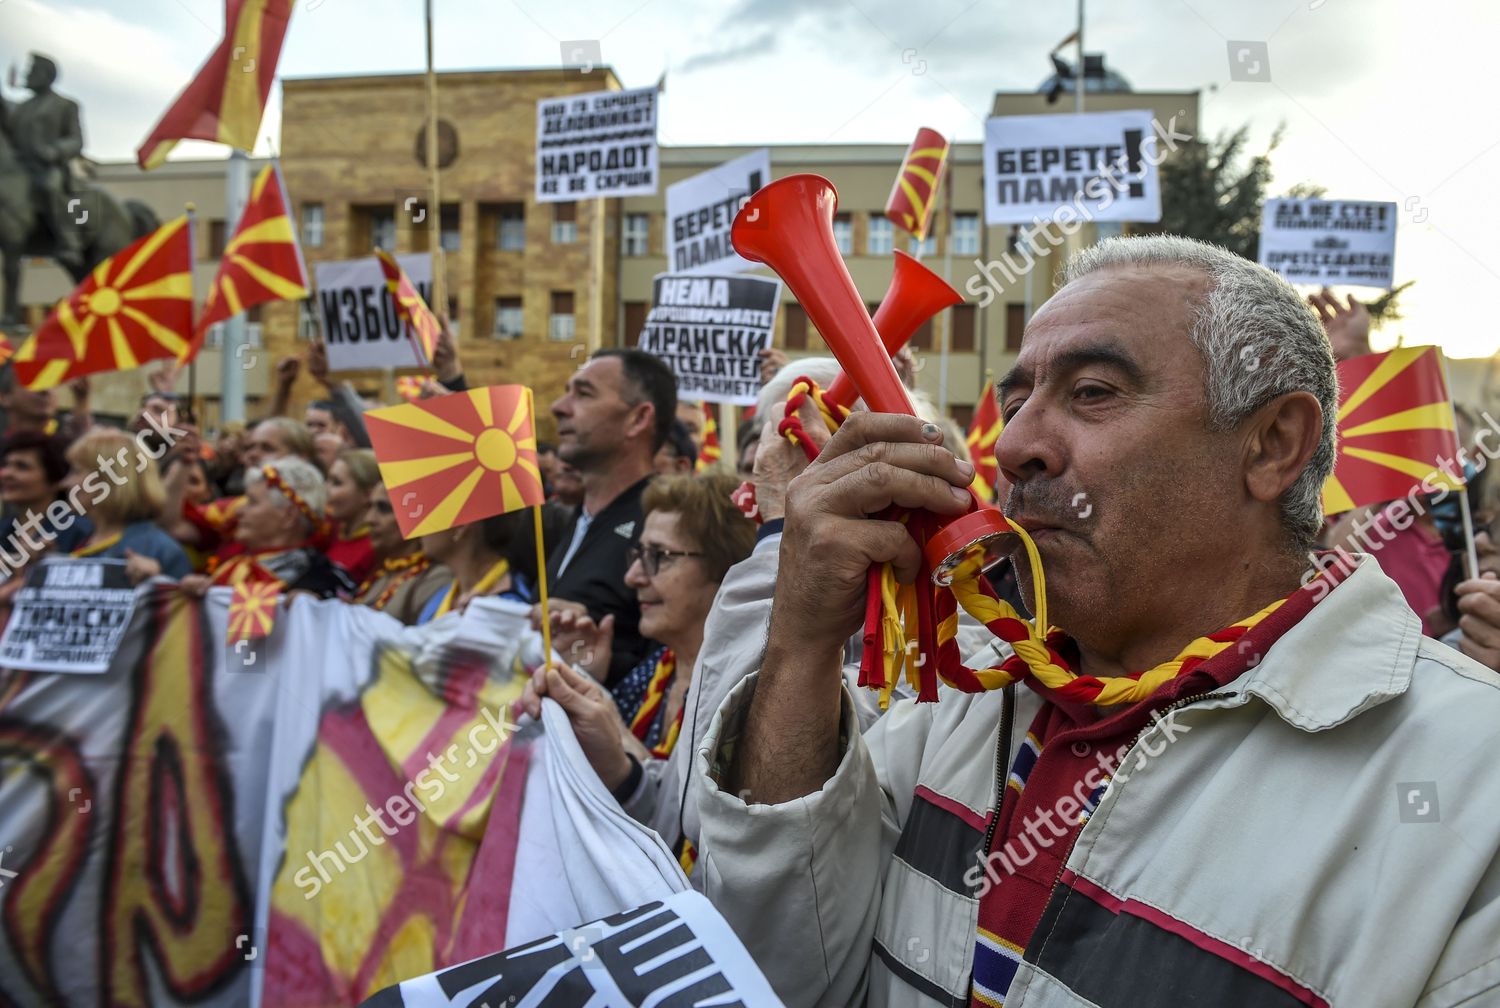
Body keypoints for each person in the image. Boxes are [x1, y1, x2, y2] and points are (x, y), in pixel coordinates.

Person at [689, 235, 1500, 1007]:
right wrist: (800, 643)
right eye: (1017, 400)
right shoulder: (965, 694)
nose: (1012, 447)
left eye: (1092, 394)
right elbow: (778, 972)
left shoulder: (1472, 783)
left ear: (1272, 444)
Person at [520, 472, 756, 859]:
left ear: (725, 569)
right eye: (637, 554)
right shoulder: (651, 674)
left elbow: (693, 824)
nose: (632, 577)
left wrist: (611, 727)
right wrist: (587, 675)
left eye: (659, 557)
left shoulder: (746, 694)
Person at [546, 348, 676, 686]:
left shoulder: (667, 525)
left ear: (638, 419)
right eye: (566, 391)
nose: (559, 407)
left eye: (583, 393)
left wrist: (600, 667)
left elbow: (677, 664)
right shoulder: (574, 520)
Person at [180, 457, 353, 599]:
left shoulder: (322, 583)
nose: (239, 511)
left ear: (288, 516)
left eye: (252, 502)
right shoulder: (235, 565)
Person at [63, 429, 190, 583]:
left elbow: (178, 605)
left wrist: (156, 582)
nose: (66, 483)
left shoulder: (161, 551)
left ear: (108, 481)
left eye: (76, 472)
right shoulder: (69, 538)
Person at [8, 54, 85, 272]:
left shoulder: (65, 105)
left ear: (46, 75)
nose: (27, 76)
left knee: (51, 188)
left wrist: (55, 151)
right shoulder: (20, 108)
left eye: (31, 72)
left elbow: (76, 140)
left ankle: (70, 242)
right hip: (20, 167)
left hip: (48, 166)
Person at [416, 510, 536, 624]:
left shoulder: (511, 606)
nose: (420, 526)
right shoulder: (440, 598)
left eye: (430, 514)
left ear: (461, 526)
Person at [355, 482, 449, 624]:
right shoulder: (382, 573)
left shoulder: (437, 578)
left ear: (415, 517)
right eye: (370, 507)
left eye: (384, 508)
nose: (369, 519)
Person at [0, 430, 90, 556]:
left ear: (57, 479)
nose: (6, 474)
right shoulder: (4, 529)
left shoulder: (78, 532)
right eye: (6, 465)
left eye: (22, 466)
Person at [323, 449, 378, 585]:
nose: (325, 489)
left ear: (367, 494)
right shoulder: (330, 532)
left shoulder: (375, 547)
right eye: (327, 480)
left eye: (336, 483)